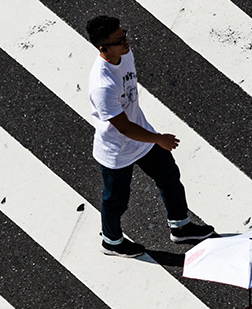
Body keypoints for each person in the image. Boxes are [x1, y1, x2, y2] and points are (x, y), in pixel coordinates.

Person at [85, 15, 215, 258]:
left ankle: (181, 226)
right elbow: (123, 127)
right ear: (103, 48)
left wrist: (153, 138)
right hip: (117, 150)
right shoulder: (102, 86)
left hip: (141, 135)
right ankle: (111, 241)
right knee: (116, 200)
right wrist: (158, 138)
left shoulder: (124, 55)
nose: (126, 42)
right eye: (119, 40)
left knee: (169, 176)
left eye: (125, 34)